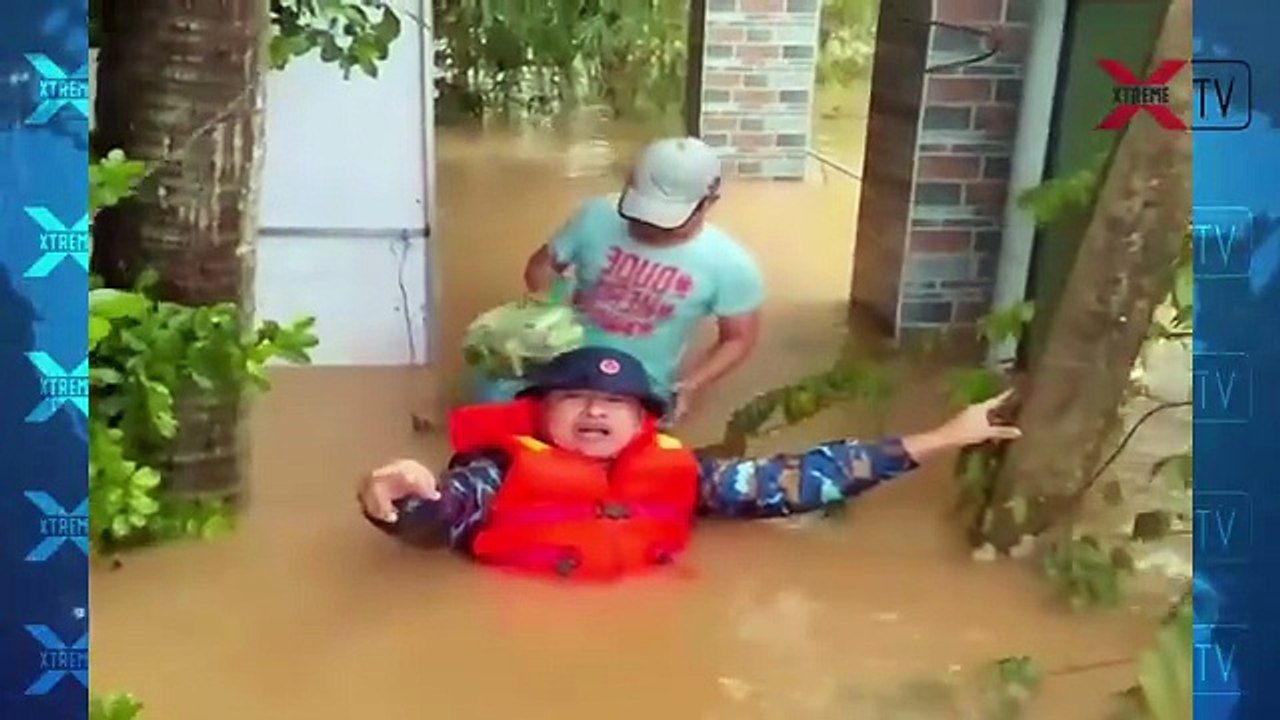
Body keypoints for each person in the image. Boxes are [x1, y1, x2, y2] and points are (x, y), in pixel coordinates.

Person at [357, 347, 1021, 581]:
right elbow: (432, 519)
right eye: (575, 399)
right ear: (540, 413)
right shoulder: (496, 475)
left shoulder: (686, 476)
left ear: (644, 419)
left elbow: (793, 481)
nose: (594, 412)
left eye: (614, 403)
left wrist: (942, 438)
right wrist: (393, 497)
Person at [522, 137, 765, 422]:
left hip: (640, 385)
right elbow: (542, 267)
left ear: (708, 202)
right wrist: (550, 310)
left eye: (666, 221)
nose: (649, 227)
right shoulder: (595, 215)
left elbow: (738, 339)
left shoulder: (731, 264)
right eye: (641, 212)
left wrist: (690, 385)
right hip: (563, 362)